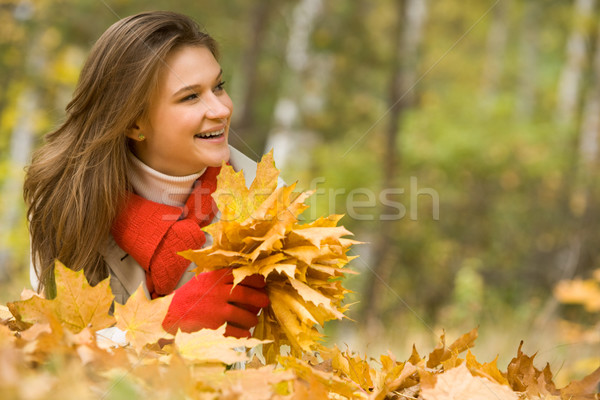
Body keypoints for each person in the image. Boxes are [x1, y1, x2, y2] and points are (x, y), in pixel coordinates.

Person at [23, 11, 271, 339]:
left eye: (219, 87)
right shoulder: (66, 204)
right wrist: (165, 325)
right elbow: (51, 349)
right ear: (133, 122)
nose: (221, 109)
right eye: (191, 96)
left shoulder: (266, 202)